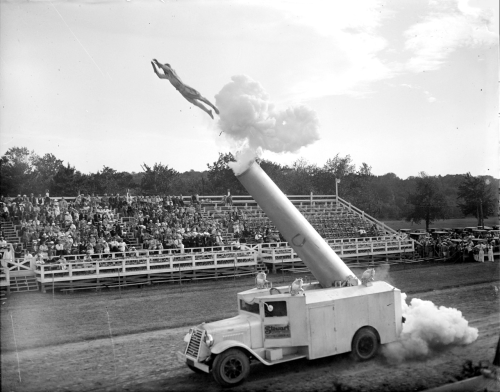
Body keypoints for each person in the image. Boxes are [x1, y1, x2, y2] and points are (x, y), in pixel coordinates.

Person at [151, 59, 219, 119]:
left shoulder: (172, 72)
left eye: (165, 68)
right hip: (181, 91)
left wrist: (157, 63)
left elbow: (165, 67)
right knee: (195, 102)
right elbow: (159, 76)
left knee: (200, 97)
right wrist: (154, 66)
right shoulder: (168, 76)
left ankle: (214, 107)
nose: (164, 70)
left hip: (185, 88)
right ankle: (208, 111)